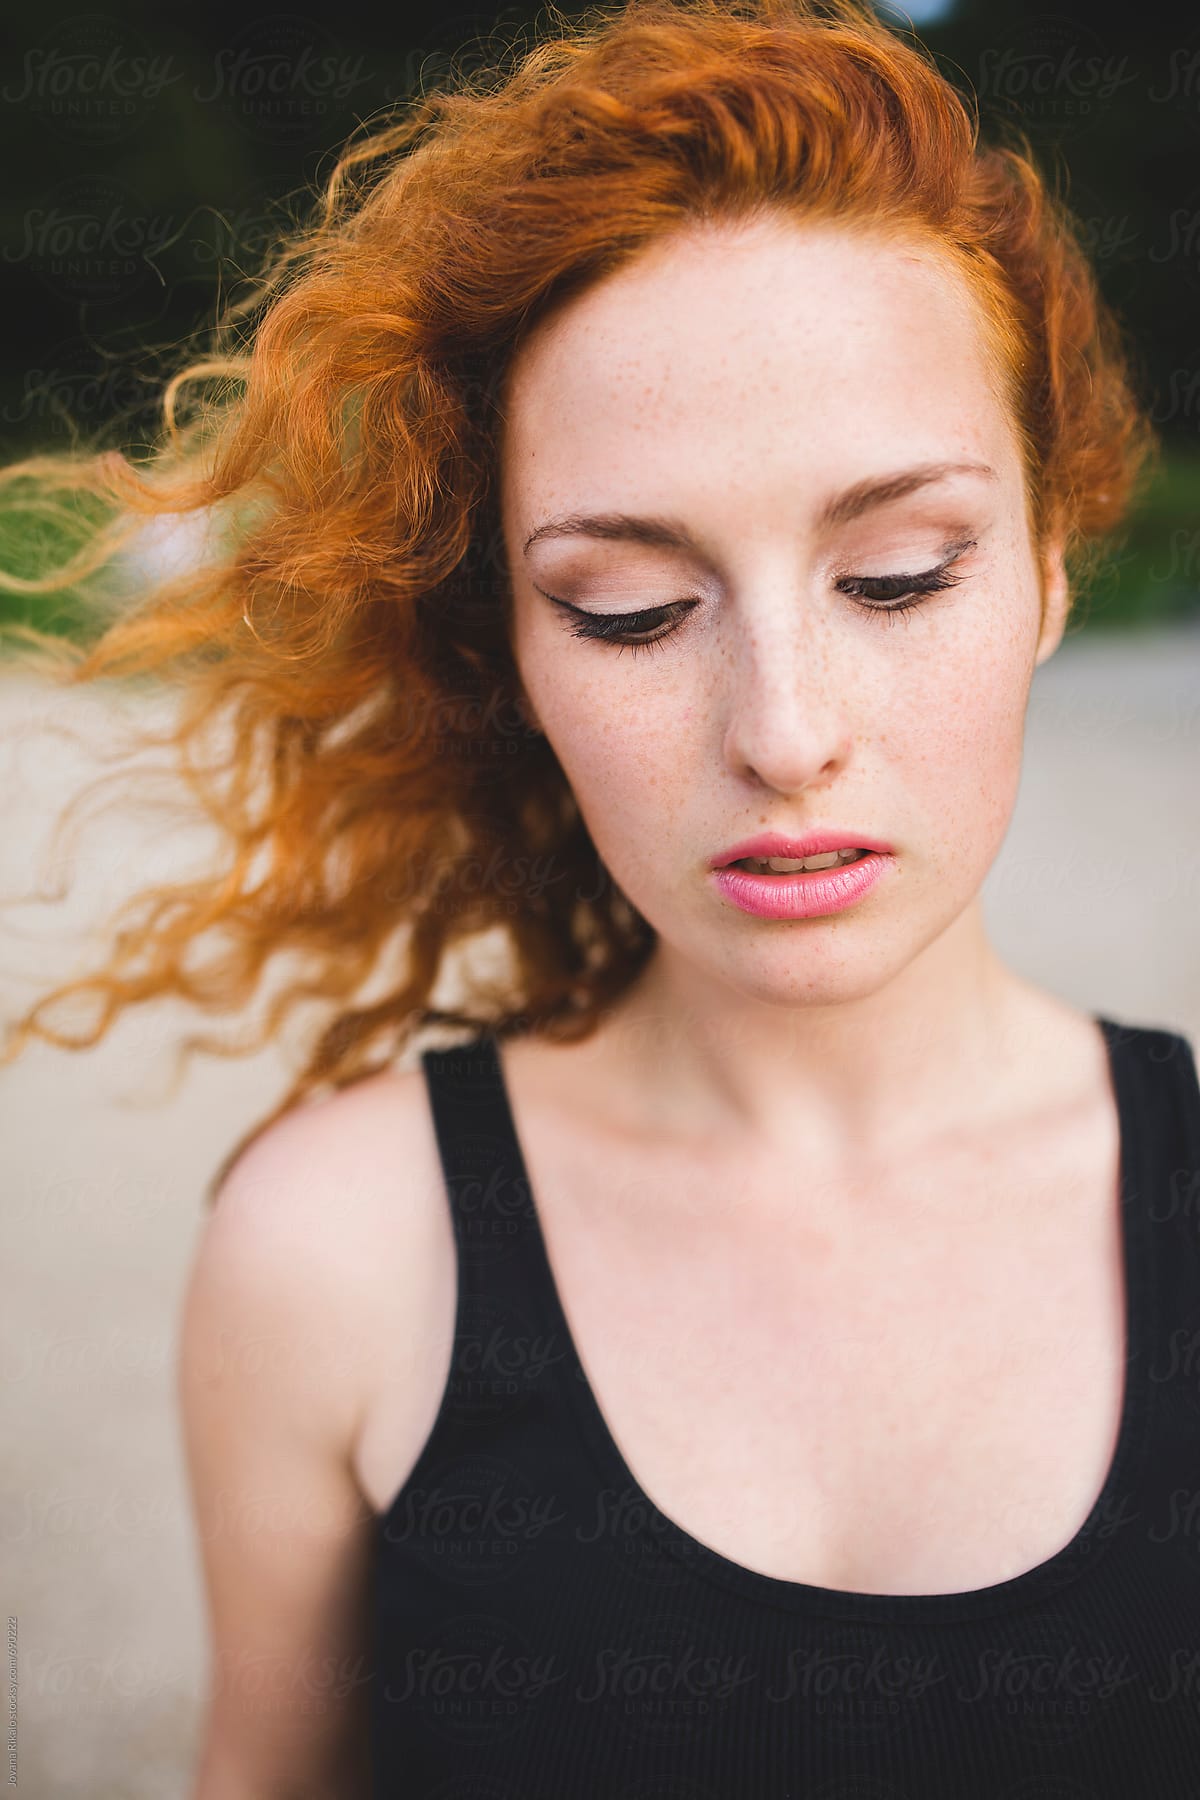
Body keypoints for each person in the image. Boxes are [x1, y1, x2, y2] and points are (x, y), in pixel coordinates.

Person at [2, 0, 1198, 1795]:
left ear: (1042, 571)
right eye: (631, 608)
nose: (785, 733)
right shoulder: (336, 1252)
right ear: (511, 652)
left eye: (896, 574)